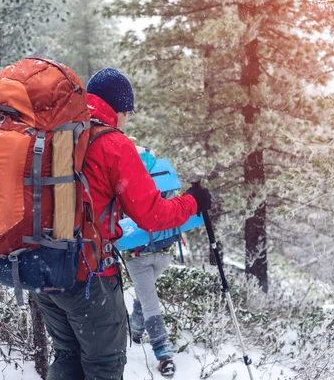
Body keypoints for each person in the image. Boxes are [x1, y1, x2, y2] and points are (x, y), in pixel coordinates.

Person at [31, 67, 212, 380]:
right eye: (128, 112)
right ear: (118, 109)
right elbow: (153, 216)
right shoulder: (114, 144)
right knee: (104, 368)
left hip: (42, 271)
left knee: (67, 358)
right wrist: (193, 202)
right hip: (88, 278)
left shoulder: (57, 131)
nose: (127, 120)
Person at [123, 147, 180, 377]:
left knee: (148, 301)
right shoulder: (163, 176)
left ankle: (163, 354)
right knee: (148, 298)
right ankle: (137, 331)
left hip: (138, 255)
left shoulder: (126, 181)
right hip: (165, 250)